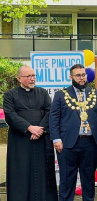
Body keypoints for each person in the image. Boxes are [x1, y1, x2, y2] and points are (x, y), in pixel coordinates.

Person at [50, 64, 97, 201]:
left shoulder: (96, 94)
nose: (82, 78)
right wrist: (56, 139)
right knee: (66, 179)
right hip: (67, 144)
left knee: (88, 179)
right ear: (71, 77)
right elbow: (53, 119)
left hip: (90, 142)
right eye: (78, 75)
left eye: (83, 75)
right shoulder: (61, 95)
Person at [4, 65, 58, 201]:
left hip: (41, 138)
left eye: (33, 76)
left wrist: (40, 129)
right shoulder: (10, 95)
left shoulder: (43, 93)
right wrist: (29, 127)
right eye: (28, 76)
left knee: (42, 172)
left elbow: (50, 111)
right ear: (19, 78)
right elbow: (10, 115)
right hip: (20, 140)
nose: (32, 79)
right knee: (21, 170)